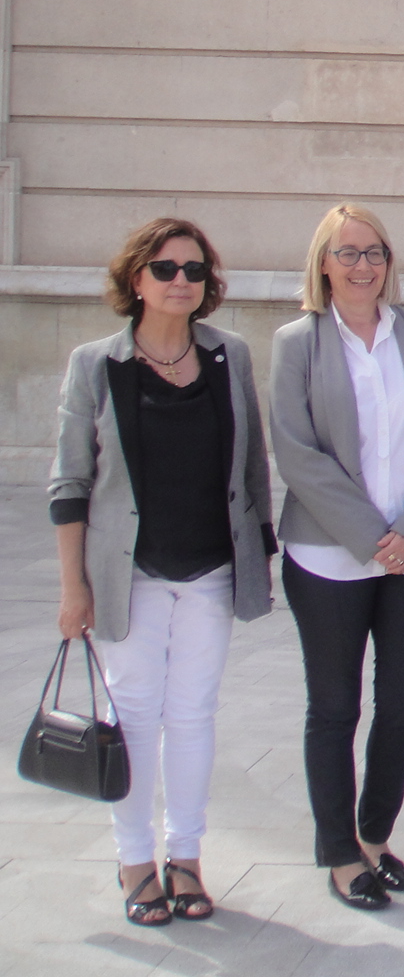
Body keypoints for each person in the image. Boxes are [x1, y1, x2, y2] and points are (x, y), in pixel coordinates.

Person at [50, 219, 276, 927]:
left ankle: (185, 858)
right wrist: (72, 588)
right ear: (136, 279)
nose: (182, 280)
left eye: (196, 270)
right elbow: (69, 483)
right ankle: (134, 862)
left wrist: (258, 558)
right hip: (129, 574)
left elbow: (250, 464)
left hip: (209, 567)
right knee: (135, 716)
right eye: (167, 268)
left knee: (193, 715)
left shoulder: (227, 356)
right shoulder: (96, 365)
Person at [270, 204, 404, 911]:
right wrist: (368, 535)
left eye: (375, 252)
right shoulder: (299, 342)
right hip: (329, 556)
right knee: (334, 707)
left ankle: (375, 837)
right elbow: (297, 453)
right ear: (323, 263)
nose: (363, 265)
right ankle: (337, 852)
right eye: (348, 253)